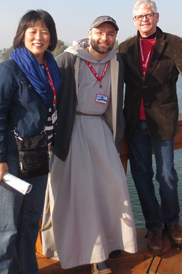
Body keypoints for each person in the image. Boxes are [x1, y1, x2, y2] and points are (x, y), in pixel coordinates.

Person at [118, 0, 182, 253]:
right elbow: (112, 79)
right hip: (134, 123)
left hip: (162, 122)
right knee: (141, 177)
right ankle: (155, 227)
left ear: (157, 17)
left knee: (167, 177)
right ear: (134, 20)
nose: (144, 20)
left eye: (148, 15)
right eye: (139, 17)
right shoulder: (125, 48)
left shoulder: (174, 43)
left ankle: (172, 222)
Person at [41, 16, 138, 273]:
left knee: (113, 189)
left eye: (110, 34)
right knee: (76, 195)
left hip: (102, 132)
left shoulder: (116, 61)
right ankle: (87, 255)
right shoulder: (67, 59)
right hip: (70, 134)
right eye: (100, 32)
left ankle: (111, 243)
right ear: (90, 33)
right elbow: (44, 93)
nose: (104, 38)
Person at [0, 9, 61, 273]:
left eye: (44, 31)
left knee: (29, 223)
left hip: (39, 155)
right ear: (22, 35)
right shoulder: (8, 70)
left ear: (51, 37)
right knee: (5, 230)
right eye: (33, 31)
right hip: (11, 159)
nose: (39, 37)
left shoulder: (51, 68)